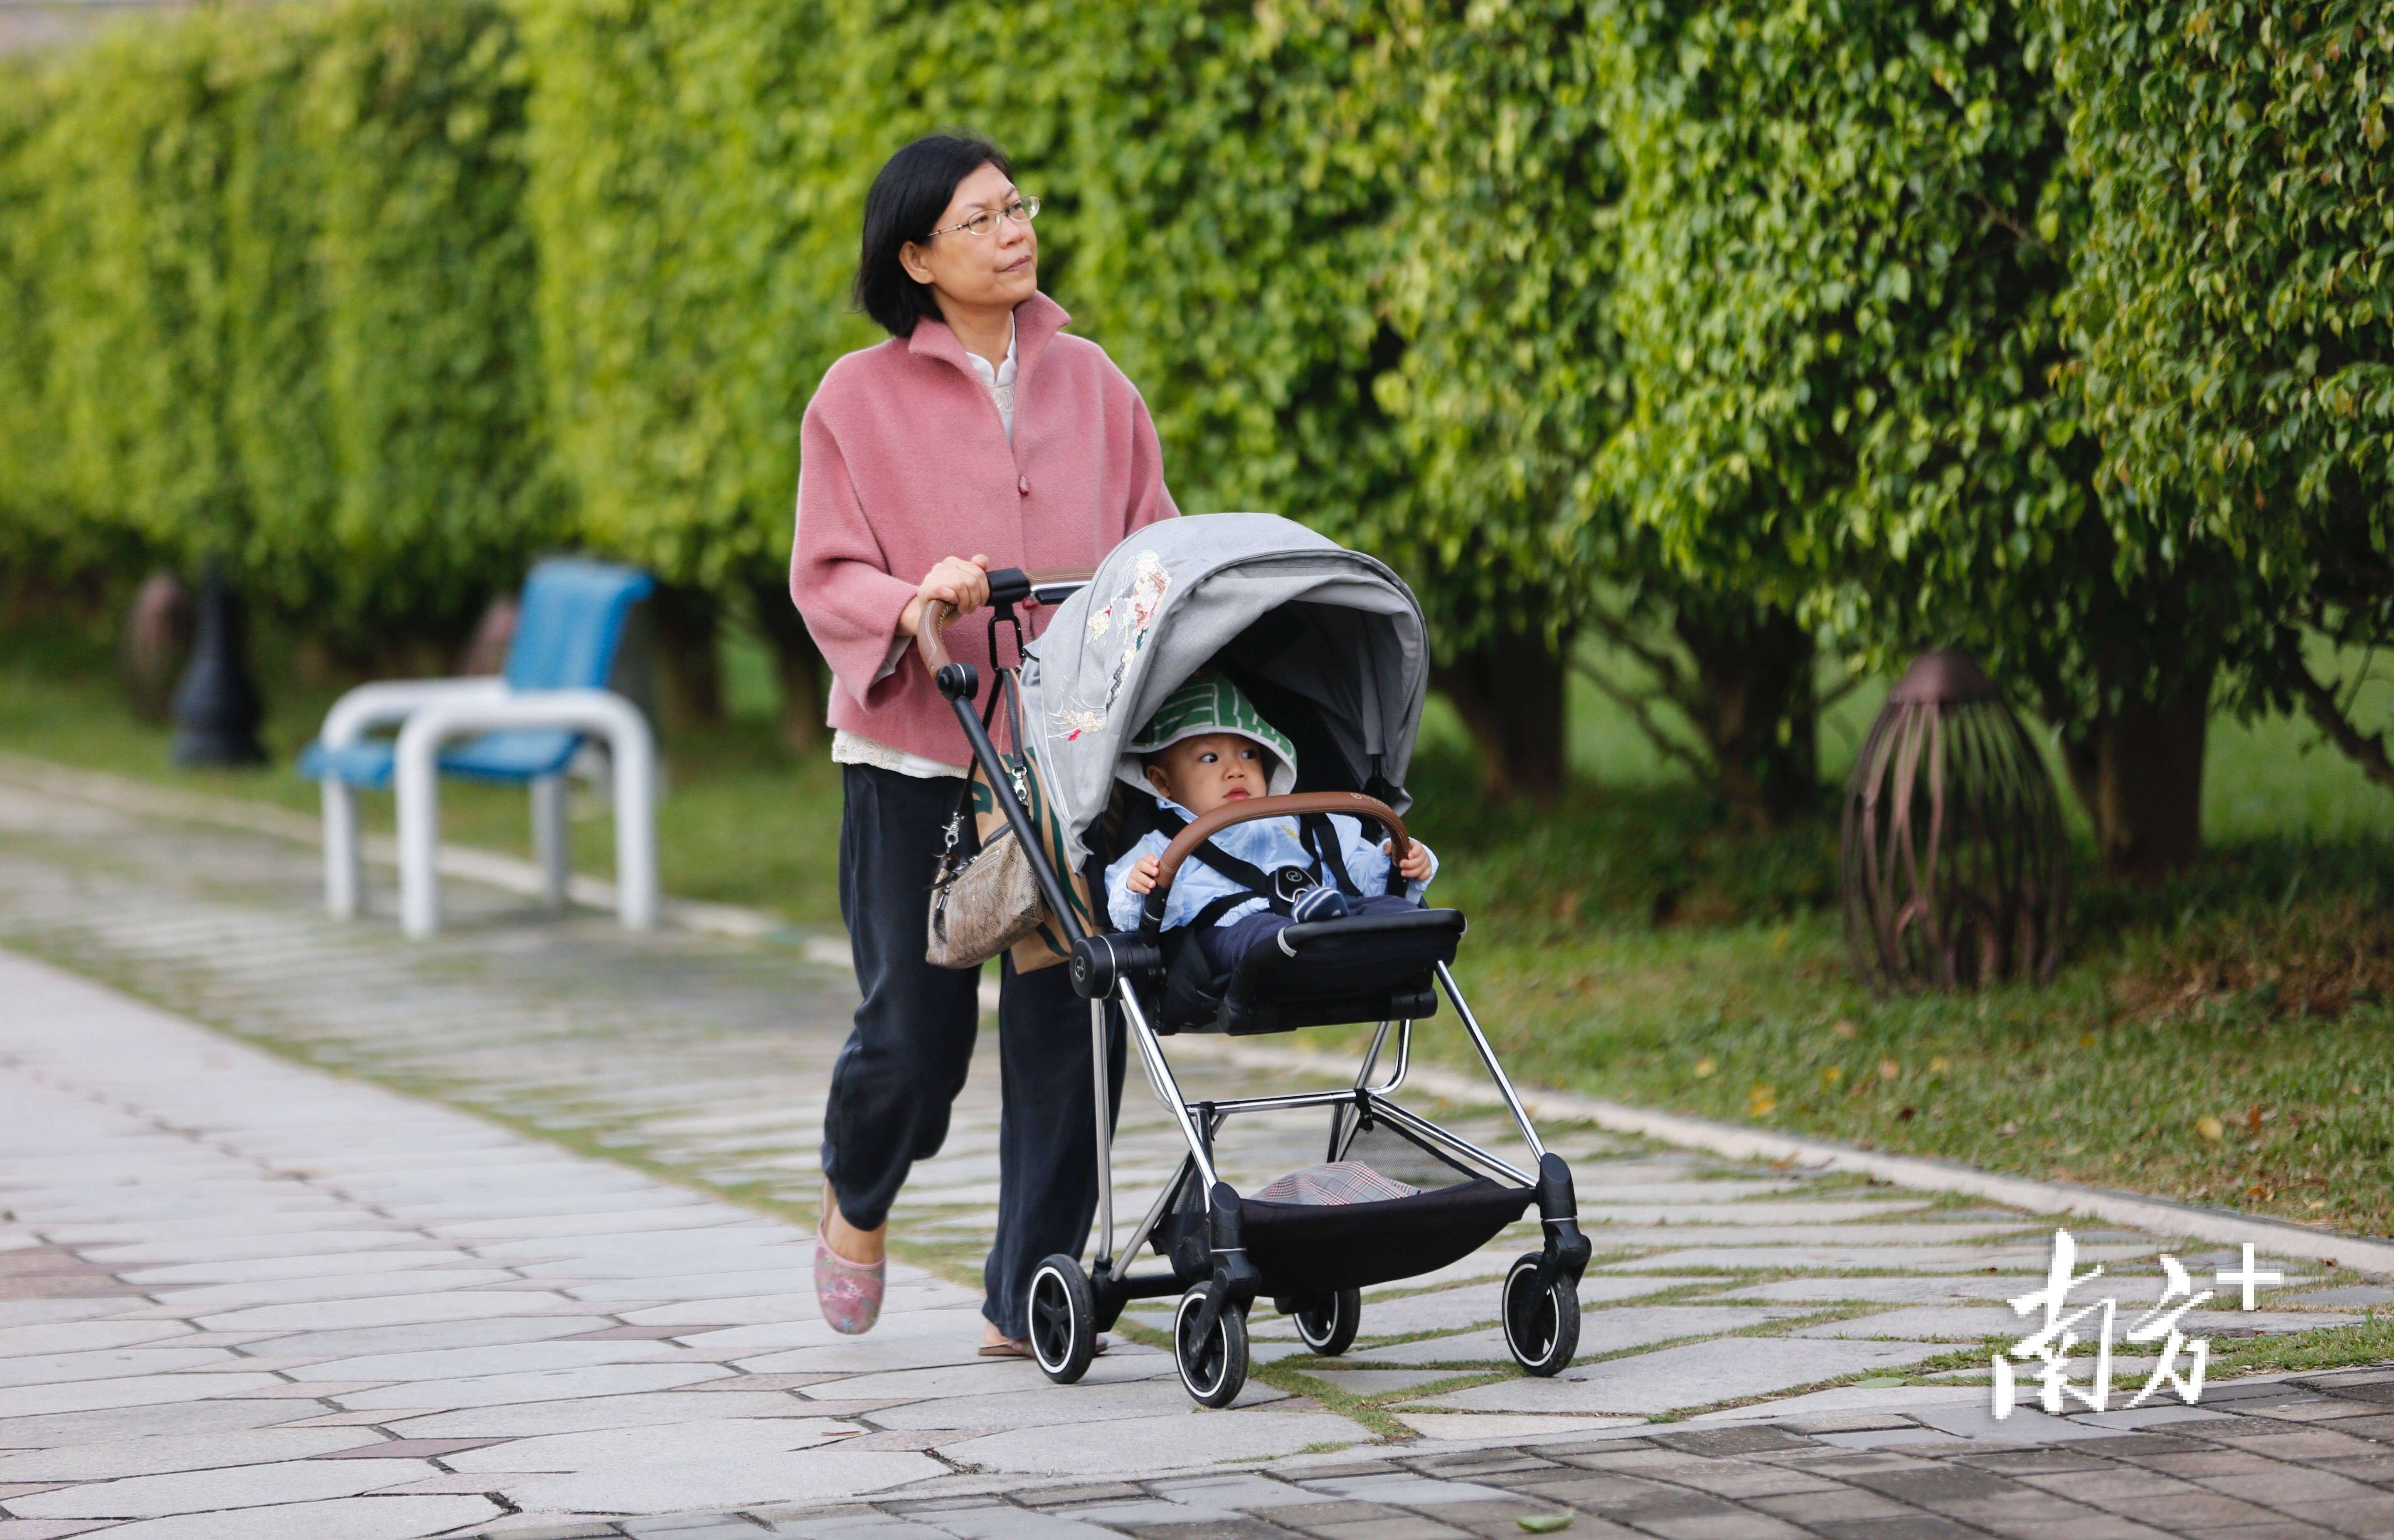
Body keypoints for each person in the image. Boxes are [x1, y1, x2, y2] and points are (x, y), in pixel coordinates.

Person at [790, 132, 1175, 1354]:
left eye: (1019, 207)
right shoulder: (854, 398)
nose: (1016, 231)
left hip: (1063, 763)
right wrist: (912, 595)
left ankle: (1034, 1290)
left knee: (1074, 1018)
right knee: (917, 1033)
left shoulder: (1098, 383)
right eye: (982, 219)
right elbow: (825, 570)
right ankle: (859, 1193)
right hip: (919, 758)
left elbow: (1154, 547)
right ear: (917, 256)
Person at [1103, 671, 1436, 968]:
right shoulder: (1162, 846)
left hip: (1334, 916)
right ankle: (1306, 935)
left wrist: (1396, 862)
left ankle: (1407, 929)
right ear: (1163, 782)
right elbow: (1131, 915)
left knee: (1387, 911)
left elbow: (1357, 872)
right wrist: (1140, 887)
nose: (1237, 770)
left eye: (1250, 754)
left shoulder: (1307, 821)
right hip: (1234, 936)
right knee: (1258, 932)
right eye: (1210, 758)